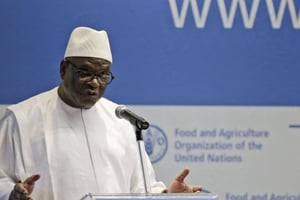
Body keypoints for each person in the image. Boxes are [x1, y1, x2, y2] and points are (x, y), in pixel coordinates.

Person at [0, 27, 201, 200]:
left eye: (103, 75)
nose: (94, 83)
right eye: (85, 73)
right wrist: (12, 193)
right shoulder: (22, 118)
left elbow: (141, 188)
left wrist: (167, 194)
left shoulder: (120, 120)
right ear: (63, 70)